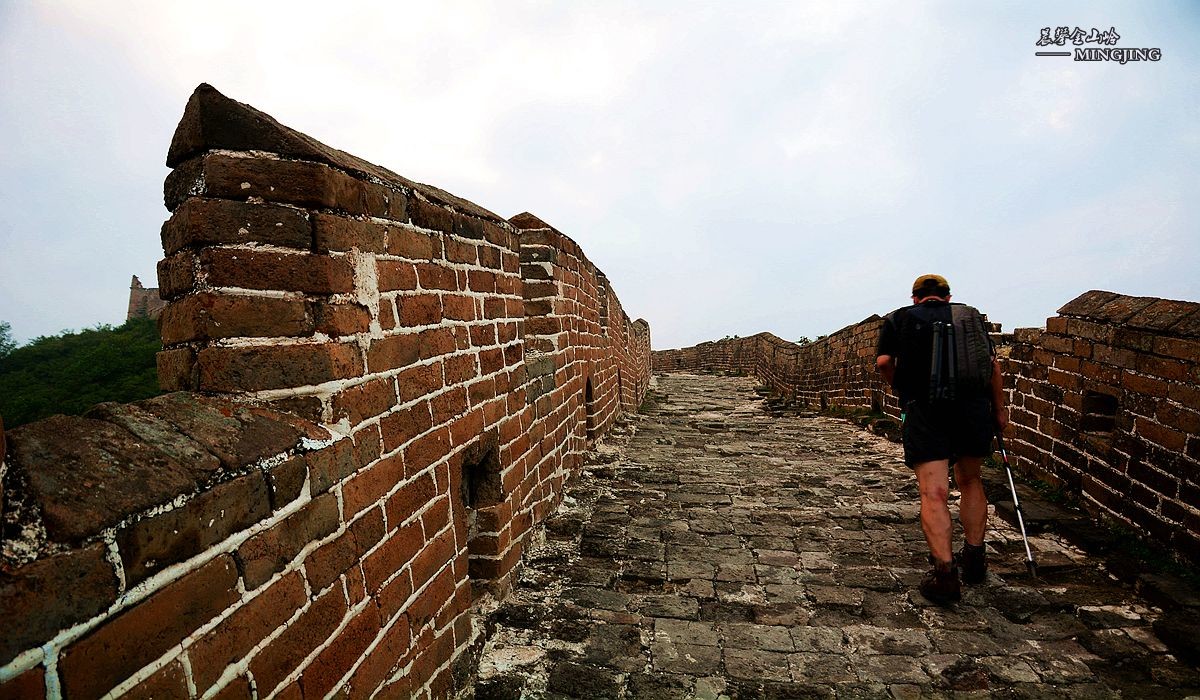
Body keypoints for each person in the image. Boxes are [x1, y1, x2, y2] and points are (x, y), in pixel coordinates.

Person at [875, 274, 1008, 604]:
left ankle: (946, 574)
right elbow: (993, 367)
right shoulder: (969, 318)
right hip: (973, 409)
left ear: (915, 297)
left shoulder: (898, 318)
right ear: (948, 297)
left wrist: (902, 390)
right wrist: (999, 411)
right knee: (971, 480)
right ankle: (975, 557)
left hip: (926, 410)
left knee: (934, 492)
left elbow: (883, 362)